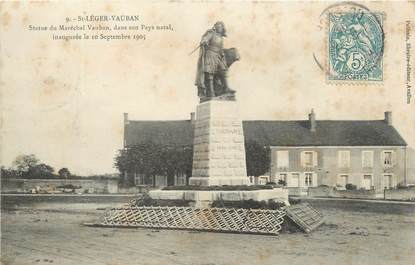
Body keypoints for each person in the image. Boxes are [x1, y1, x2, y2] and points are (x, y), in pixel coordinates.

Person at [195, 21, 235, 98]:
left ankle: (226, 88)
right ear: (215, 27)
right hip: (210, 54)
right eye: (218, 26)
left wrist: (222, 55)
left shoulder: (220, 37)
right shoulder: (211, 33)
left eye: (220, 27)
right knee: (210, 73)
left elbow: (220, 48)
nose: (219, 28)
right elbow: (205, 38)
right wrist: (204, 41)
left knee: (223, 70)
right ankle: (211, 92)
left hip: (218, 56)